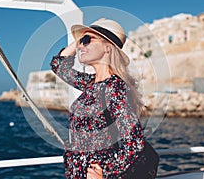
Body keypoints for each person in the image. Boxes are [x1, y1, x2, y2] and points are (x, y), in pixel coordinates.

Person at [50, 18, 159, 179]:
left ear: (108, 48)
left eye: (87, 40)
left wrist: (106, 174)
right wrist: (81, 37)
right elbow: (58, 65)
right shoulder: (92, 84)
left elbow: (134, 143)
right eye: (81, 41)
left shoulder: (114, 88)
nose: (81, 46)